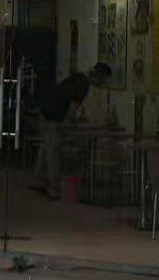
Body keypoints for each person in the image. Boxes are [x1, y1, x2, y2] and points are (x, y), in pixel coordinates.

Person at [32, 63, 111, 199]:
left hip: (45, 111)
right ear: (99, 76)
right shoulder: (83, 85)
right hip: (53, 116)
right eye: (104, 80)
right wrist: (74, 125)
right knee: (53, 153)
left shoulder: (78, 76)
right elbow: (71, 111)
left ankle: (38, 180)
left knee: (45, 148)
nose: (104, 84)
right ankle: (54, 189)